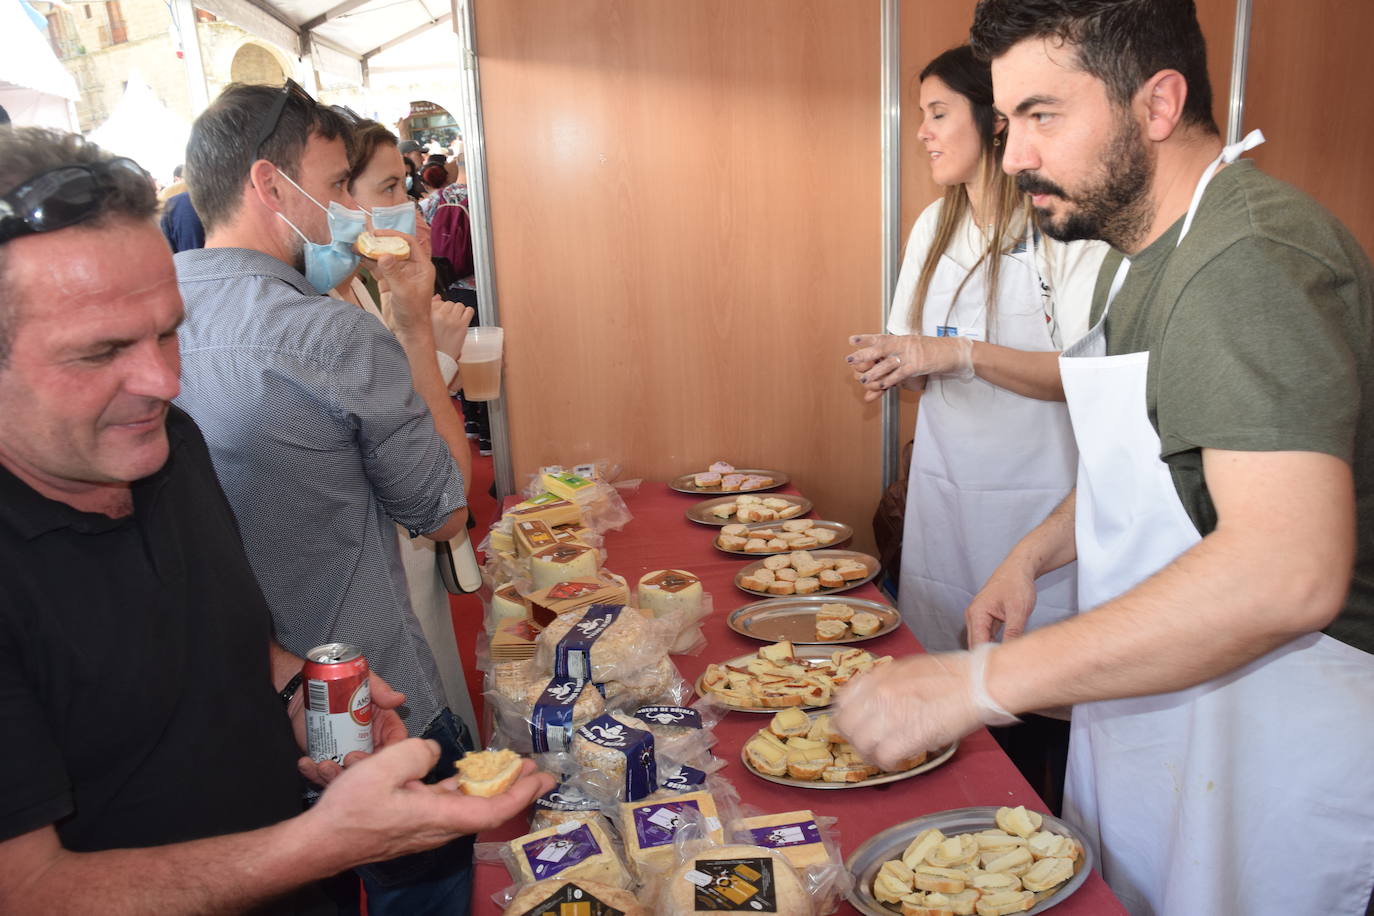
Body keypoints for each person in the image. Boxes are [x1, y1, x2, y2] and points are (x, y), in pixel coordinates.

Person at [836, 2, 1374, 914]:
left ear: (1157, 104)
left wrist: (977, 685)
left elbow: (1287, 572)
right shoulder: (1146, 255)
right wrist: (1036, 552)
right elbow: (1153, 463)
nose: (1013, 157)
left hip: (1273, 735)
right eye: (1007, 125)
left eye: (1044, 116)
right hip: (1174, 721)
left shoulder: (1247, 260)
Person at [0, 126, 552, 915]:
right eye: (99, 353)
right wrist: (324, 842)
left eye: (168, 330)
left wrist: (319, 704)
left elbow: (229, 638)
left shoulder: (164, 445)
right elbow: (24, 890)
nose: (162, 378)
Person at [172, 81, 480, 914]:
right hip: (367, 711)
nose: (350, 209)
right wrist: (413, 329)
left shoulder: (156, 311)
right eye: (339, 184)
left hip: (225, 733)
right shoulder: (327, 330)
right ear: (271, 186)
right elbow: (445, 508)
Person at [845, 46, 1104, 811]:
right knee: (953, 711)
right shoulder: (934, 224)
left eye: (936, 114)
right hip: (950, 498)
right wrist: (898, 362)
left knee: (1039, 711)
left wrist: (957, 353)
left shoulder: (1061, 224)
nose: (921, 132)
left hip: (1045, 511)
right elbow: (919, 355)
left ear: (993, 123)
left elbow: (1082, 377)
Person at [334, 116, 478, 732]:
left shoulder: (361, 291)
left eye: (405, 187)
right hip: (390, 554)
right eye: (386, 189)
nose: (407, 205)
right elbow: (410, 448)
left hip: (410, 552)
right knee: (422, 713)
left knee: (438, 686)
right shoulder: (326, 317)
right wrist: (435, 351)